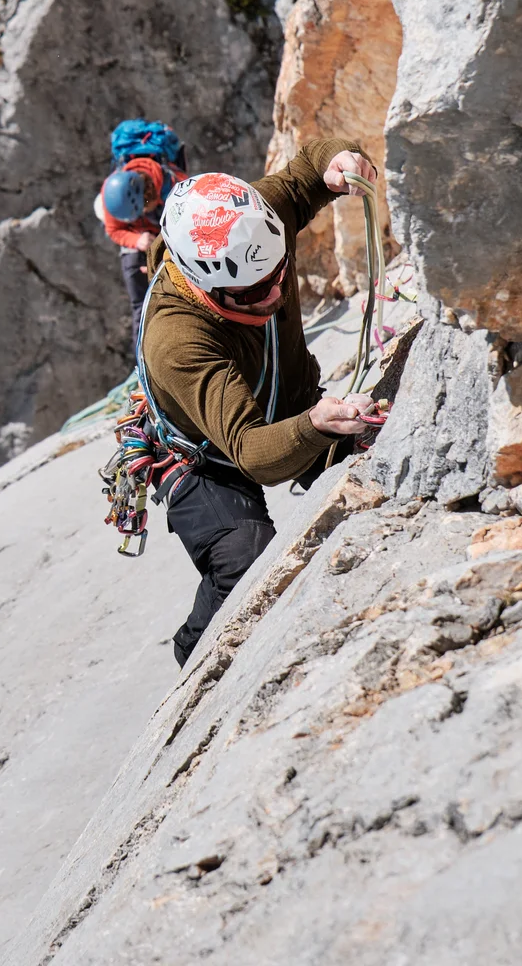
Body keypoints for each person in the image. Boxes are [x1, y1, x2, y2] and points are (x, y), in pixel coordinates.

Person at [138, 138, 381, 666]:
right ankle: (194, 654)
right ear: (205, 287)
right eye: (252, 293)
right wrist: (316, 424)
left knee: (378, 457)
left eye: (279, 276)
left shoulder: (253, 227)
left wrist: (337, 162)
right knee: (244, 556)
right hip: (202, 457)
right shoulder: (177, 339)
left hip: (283, 402)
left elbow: (305, 172)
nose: (273, 295)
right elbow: (251, 451)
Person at [96, 121, 187, 328]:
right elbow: (113, 229)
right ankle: (142, 355)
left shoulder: (175, 187)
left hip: (168, 237)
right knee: (140, 303)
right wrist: (137, 240)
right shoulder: (111, 191)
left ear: (150, 203)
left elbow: (188, 230)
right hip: (139, 240)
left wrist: (161, 252)